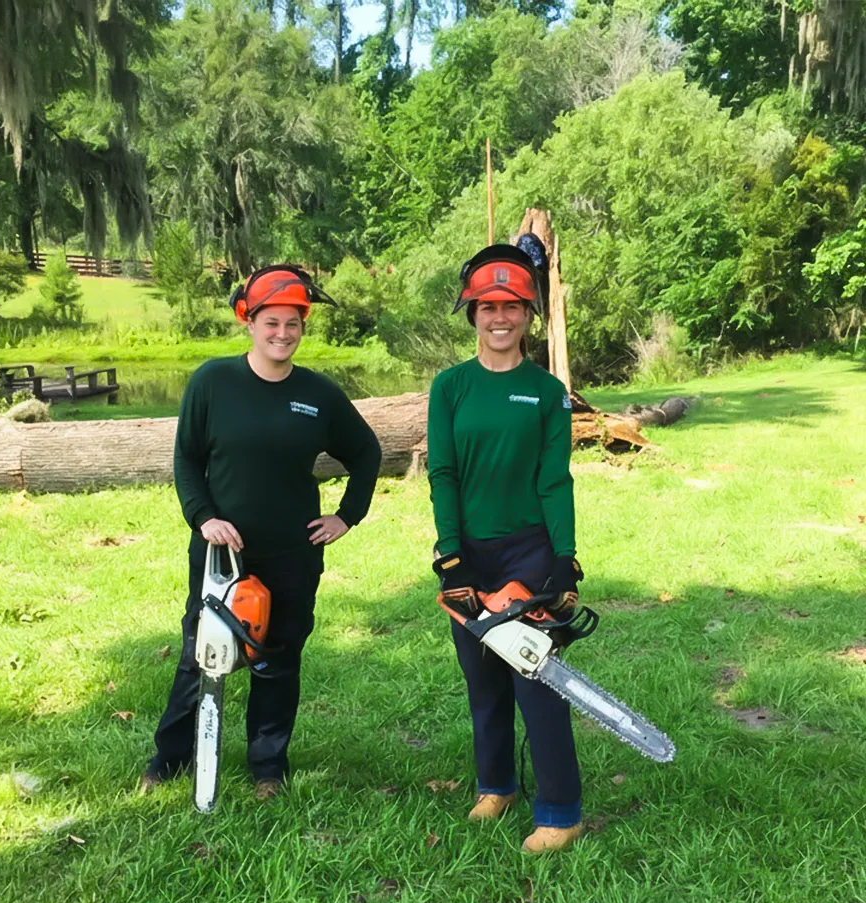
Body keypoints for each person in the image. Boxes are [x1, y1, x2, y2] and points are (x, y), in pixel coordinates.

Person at [142, 265, 382, 799]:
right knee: (199, 653)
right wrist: (203, 517)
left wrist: (349, 514)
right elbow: (186, 458)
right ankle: (171, 758)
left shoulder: (318, 394)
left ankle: (267, 767)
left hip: (292, 553)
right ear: (248, 322)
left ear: (303, 326)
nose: (282, 333)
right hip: (220, 553)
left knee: (277, 658)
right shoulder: (212, 382)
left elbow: (366, 452)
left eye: (292, 323)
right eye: (270, 321)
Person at [427, 244, 585, 853]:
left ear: (528, 313)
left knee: (536, 681)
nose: (500, 317)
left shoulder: (547, 392)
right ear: (472, 313)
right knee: (483, 678)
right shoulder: (450, 388)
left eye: (513, 307)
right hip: (470, 552)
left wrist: (564, 558)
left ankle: (561, 810)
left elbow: (555, 480)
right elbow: (443, 473)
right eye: (488, 306)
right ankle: (496, 784)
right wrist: (451, 557)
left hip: (528, 552)